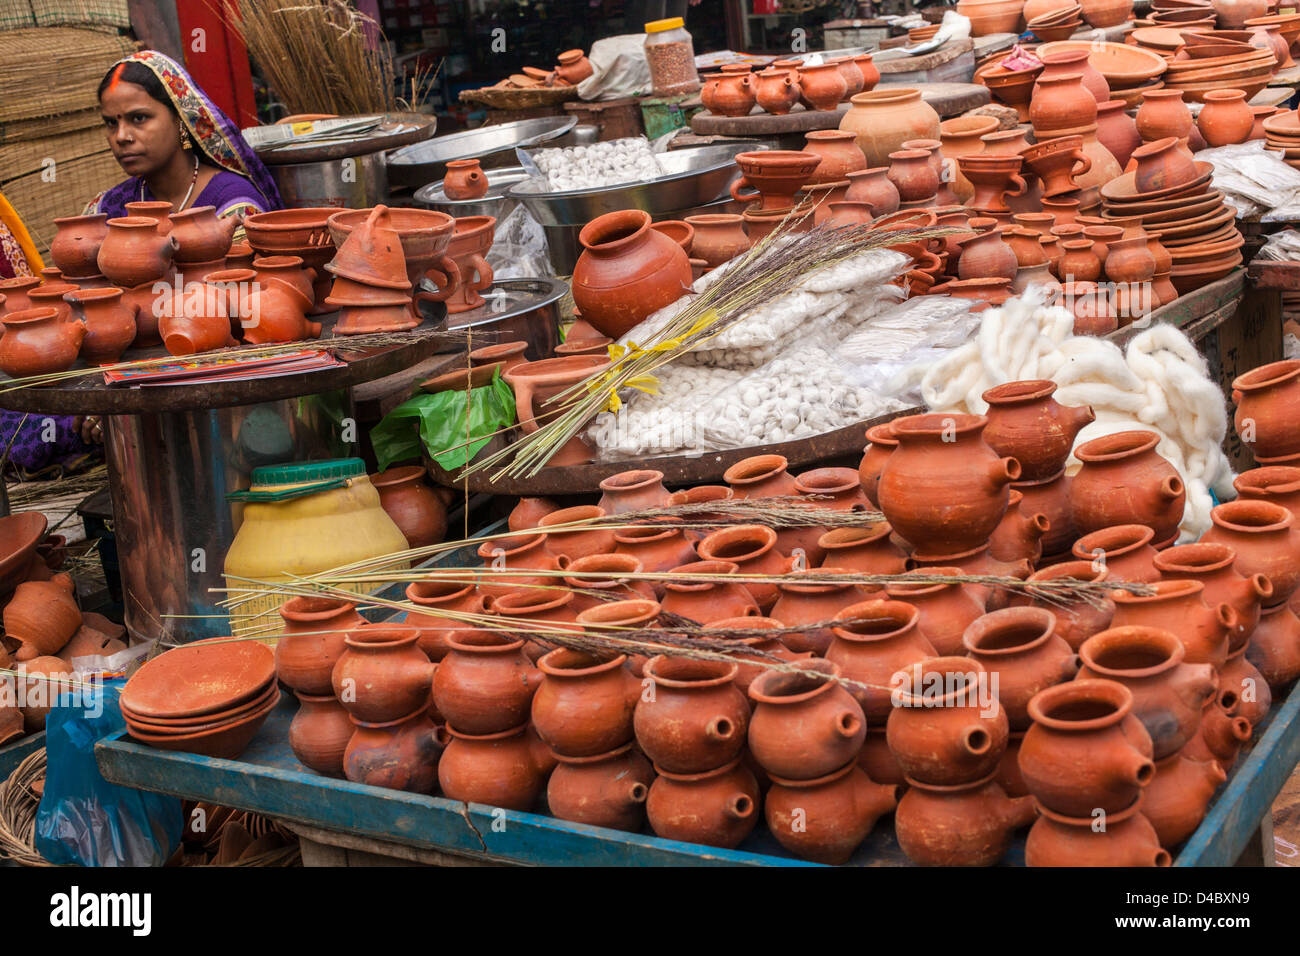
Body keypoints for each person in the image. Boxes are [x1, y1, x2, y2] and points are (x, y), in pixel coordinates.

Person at [88, 50, 282, 234]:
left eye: (139, 118)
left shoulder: (232, 208)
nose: (121, 136)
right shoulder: (106, 210)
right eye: (111, 123)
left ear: (182, 121)